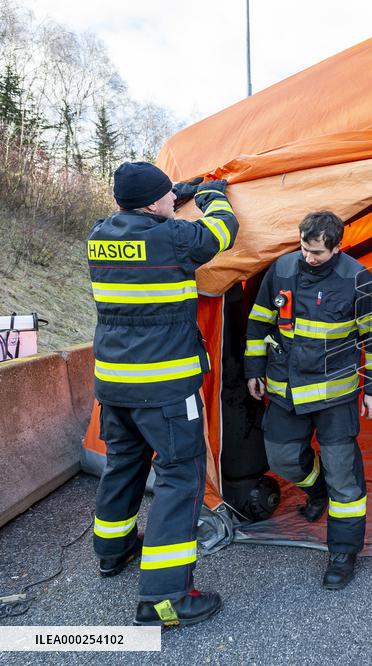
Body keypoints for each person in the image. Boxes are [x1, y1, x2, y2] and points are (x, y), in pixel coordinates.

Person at [89, 162, 238, 627]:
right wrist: (213, 195)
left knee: (123, 464)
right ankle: (165, 599)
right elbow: (222, 232)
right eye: (167, 198)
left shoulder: (98, 236)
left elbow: (146, 219)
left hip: (115, 386)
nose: (173, 203)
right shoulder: (174, 237)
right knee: (179, 479)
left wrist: (177, 190)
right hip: (168, 390)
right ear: (155, 202)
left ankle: (112, 553)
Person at [244, 211, 372, 590]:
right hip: (285, 389)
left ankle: (343, 552)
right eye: (304, 249)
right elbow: (259, 321)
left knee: (344, 473)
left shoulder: (359, 279)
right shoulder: (281, 269)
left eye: (318, 253)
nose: (308, 258)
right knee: (281, 457)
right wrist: (252, 369)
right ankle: (316, 487)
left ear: (338, 246)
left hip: (335, 395)